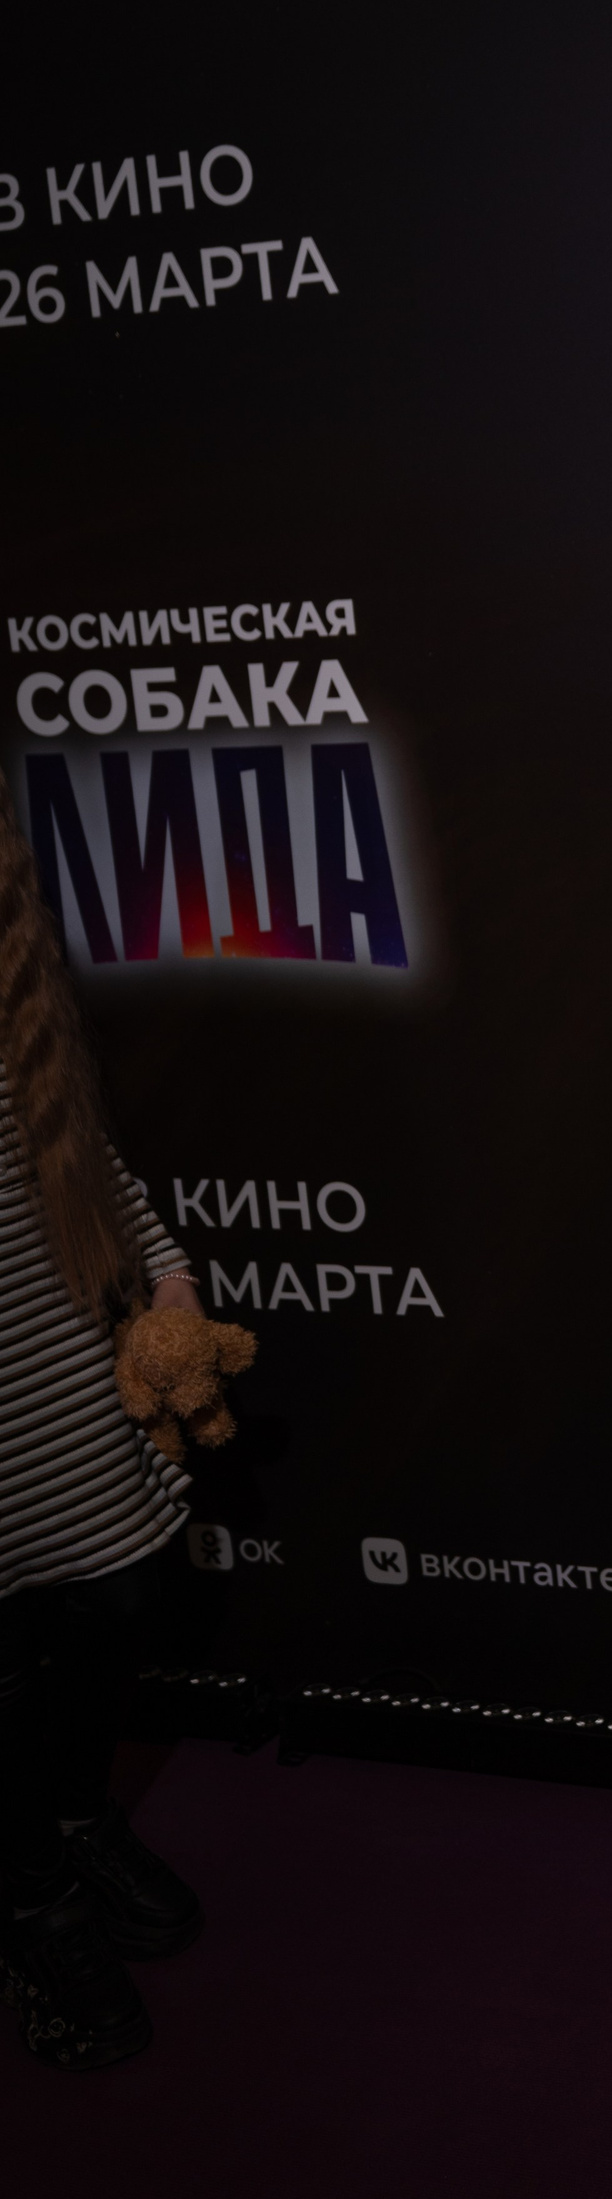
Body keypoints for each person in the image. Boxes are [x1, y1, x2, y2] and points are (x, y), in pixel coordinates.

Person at [0, 769, 207, 2071]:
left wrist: (164, 1272)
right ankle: (32, 1908)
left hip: (49, 1349)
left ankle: (73, 1820)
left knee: (118, 1593)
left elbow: (66, 1143)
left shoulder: (9, 959)